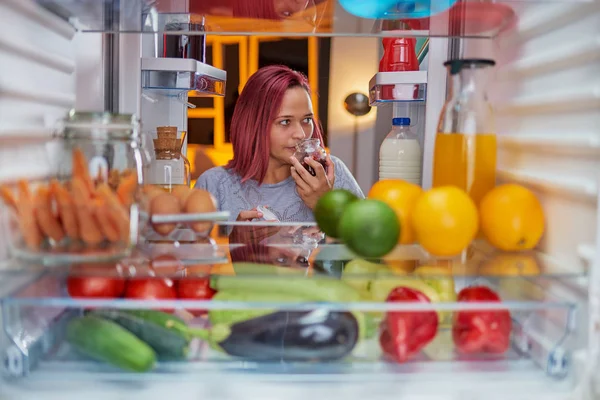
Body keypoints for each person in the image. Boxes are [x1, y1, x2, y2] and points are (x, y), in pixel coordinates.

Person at [195, 65, 364, 223]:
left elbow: (370, 247)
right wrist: (233, 236)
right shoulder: (214, 185)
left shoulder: (333, 174)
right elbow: (188, 250)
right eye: (285, 122)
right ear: (253, 124)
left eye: (306, 120)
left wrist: (326, 206)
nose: (301, 134)